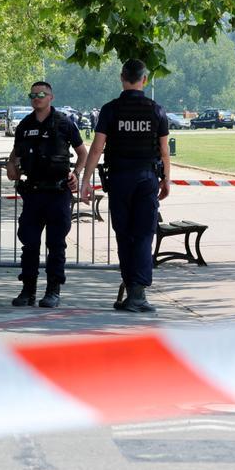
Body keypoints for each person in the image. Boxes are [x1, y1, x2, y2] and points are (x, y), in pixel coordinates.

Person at [80, 59, 170, 313]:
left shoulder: (110, 110)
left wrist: (87, 182)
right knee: (143, 234)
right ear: (145, 79)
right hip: (146, 179)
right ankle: (137, 293)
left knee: (124, 235)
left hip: (119, 179)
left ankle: (133, 290)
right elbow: (164, 151)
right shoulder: (156, 110)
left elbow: (97, 148)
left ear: (122, 78)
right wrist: (167, 179)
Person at [6, 82, 88, 308]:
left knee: (56, 244)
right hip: (33, 193)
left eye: (41, 94)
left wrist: (77, 173)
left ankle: (53, 291)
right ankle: (27, 290)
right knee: (29, 244)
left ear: (51, 96)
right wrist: (11, 166)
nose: (36, 98)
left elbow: (82, 153)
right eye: (32, 95)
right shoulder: (24, 125)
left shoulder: (64, 123)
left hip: (58, 192)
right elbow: (14, 156)